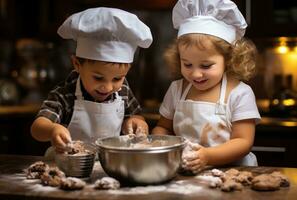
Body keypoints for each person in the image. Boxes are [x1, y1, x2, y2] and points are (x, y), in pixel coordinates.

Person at [152, 0, 261, 173]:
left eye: (205, 66)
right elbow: (163, 127)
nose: (195, 74)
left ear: (229, 59)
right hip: (185, 172)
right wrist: (160, 144)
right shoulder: (177, 90)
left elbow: (243, 141)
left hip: (231, 172)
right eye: (187, 64)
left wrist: (207, 156)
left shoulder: (240, 93)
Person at [31, 7, 153, 153]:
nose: (107, 87)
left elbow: (135, 116)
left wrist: (137, 123)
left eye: (117, 78)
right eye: (98, 77)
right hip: (69, 166)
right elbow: (37, 127)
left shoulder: (123, 90)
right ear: (77, 64)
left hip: (109, 165)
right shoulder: (65, 93)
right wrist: (52, 129)